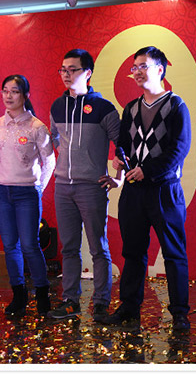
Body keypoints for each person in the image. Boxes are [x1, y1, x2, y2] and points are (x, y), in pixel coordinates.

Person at [105, 46, 191, 332]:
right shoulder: (130, 108)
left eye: (143, 66)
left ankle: (179, 314)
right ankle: (129, 308)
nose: (137, 72)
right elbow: (124, 145)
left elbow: (179, 149)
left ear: (160, 69)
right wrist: (119, 159)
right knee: (132, 252)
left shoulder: (176, 105)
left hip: (164, 191)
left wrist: (148, 170)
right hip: (133, 191)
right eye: (135, 67)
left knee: (174, 254)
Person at [48, 49, 121, 323]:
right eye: (63, 69)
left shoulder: (104, 108)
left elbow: (122, 146)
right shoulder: (57, 106)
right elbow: (54, 138)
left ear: (88, 73)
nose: (66, 74)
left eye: (73, 69)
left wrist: (118, 177)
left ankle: (101, 302)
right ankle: (70, 301)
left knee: (98, 248)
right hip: (63, 187)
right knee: (68, 248)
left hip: (91, 186)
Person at [0, 74, 56, 318]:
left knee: (30, 245)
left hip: (27, 193)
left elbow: (50, 161)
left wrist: (38, 188)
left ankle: (42, 293)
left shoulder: (37, 127)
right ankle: (18, 295)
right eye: (5, 91)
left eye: (15, 91)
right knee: (10, 246)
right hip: (1, 192)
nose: (9, 96)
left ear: (25, 95)